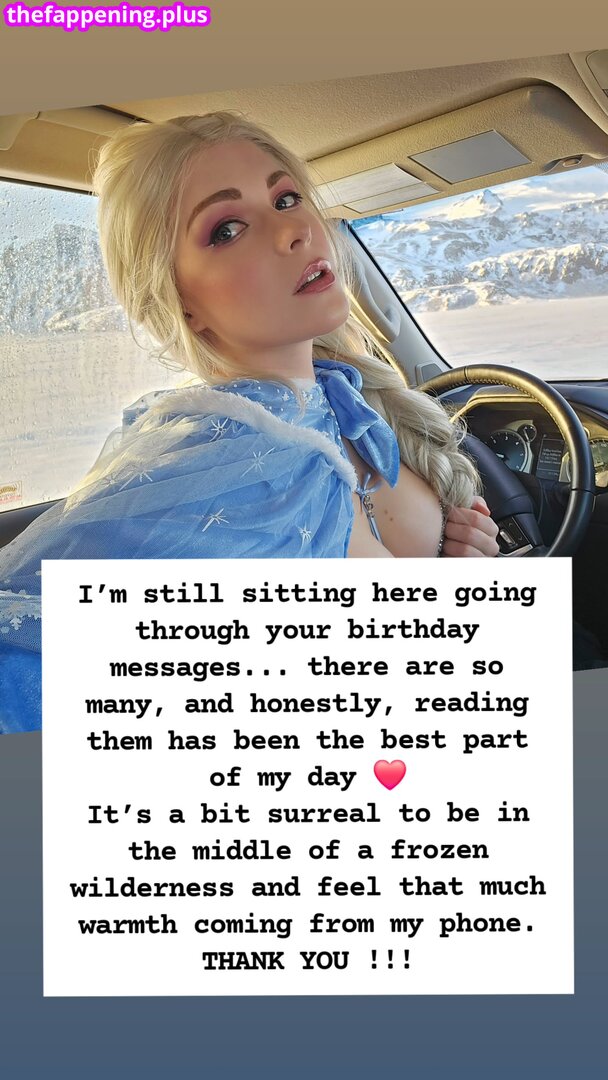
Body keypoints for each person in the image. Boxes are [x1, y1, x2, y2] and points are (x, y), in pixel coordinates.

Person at [0, 111, 498, 733]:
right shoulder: (197, 476)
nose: (293, 229)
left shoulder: (354, 406)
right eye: (227, 229)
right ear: (179, 300)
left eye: (286, 198)